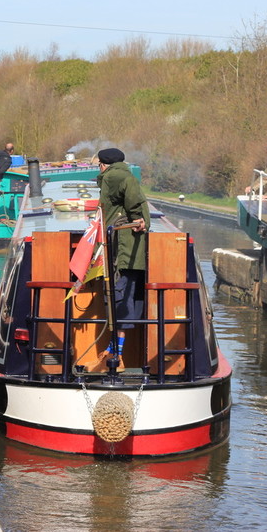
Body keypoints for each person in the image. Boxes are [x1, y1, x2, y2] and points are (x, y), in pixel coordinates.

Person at [95, 147, 151, 367]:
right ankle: (116, 350)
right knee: (123, 297)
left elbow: (133, 197)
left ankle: (116, 353)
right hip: (126, 250)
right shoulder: (120, 174)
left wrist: (139, 219)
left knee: (120, 297)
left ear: (102, 164)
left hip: (122, 249)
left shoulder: (116, 175)